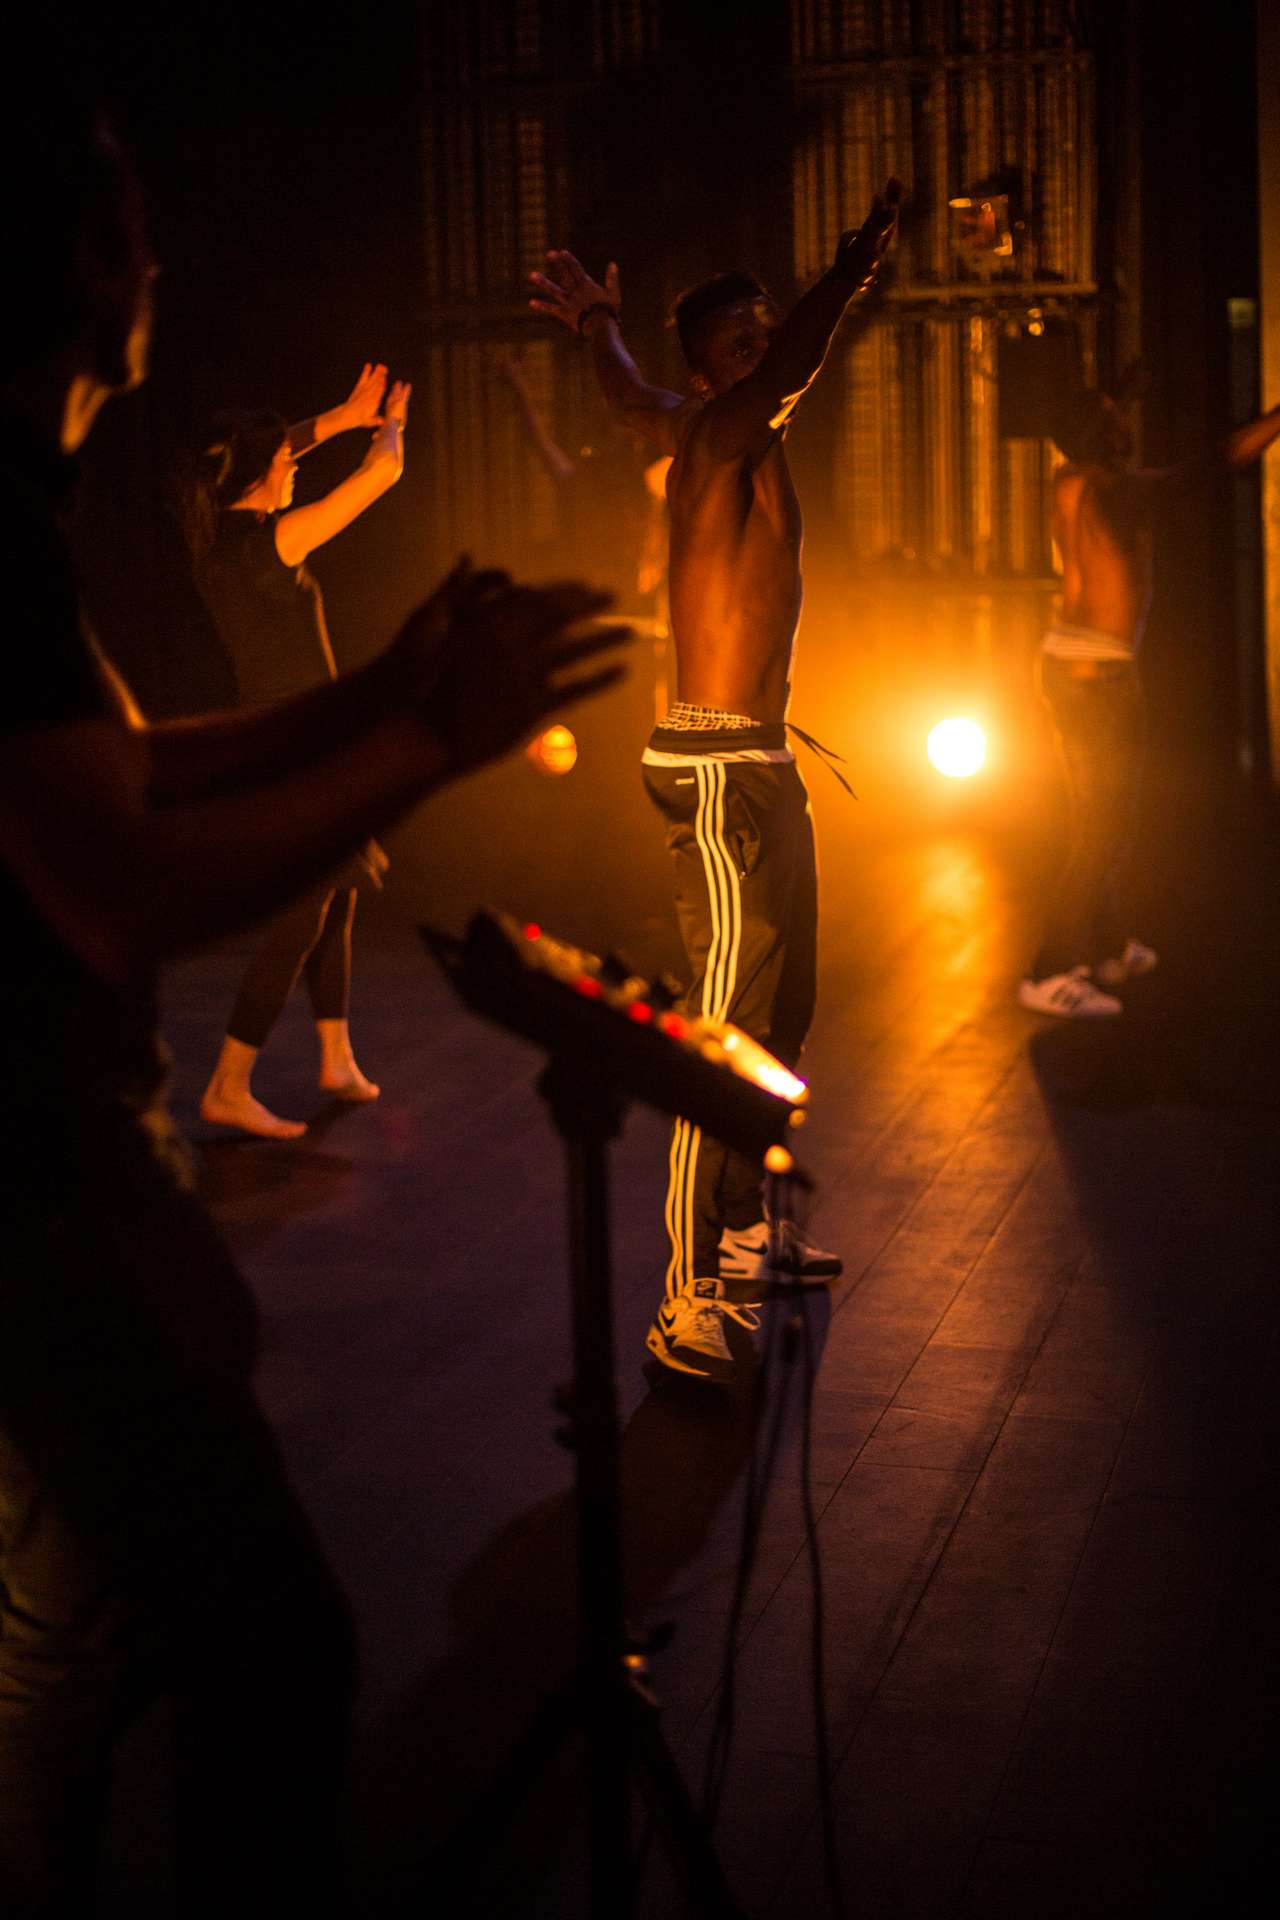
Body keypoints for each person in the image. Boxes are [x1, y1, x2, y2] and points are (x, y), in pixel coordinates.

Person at [0, 74, 626, 1918]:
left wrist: (387, 696)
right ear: (76, 264)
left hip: (56, 1167)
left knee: (75, 1638)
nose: (159, 267)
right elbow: (120, 888)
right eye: (132, 231)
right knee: (264, 1655)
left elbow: (129, 772)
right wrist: (430, 742)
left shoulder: (21, 524)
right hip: (32, 1181)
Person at [531, 181, 899, 1381]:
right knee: (723, 1031)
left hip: (761, 761)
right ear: (713, 367)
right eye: (738, 339)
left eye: (761, 329)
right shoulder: (729, 426)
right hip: (711, 771)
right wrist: (846, 275)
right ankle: (685, 1296)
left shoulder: (696, 424)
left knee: (783, 1018)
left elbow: (623, 392)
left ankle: (743, 1240)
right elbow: (785, 368)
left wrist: (597, 321)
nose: (760, 345)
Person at [183, 367, 409, 1137]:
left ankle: (336, 1057)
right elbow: (380, 477)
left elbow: (269, 454)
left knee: (338, 893)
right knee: (302, 915)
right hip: (302, 755)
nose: (295, 466)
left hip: (296, 746)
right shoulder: (272, 544)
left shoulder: (218, 539)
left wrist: (340, 417)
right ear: (258, 475)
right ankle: (228, 1082)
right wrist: (388, 430)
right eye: (286, 461)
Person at [1018, 383, 1280, 1019]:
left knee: (1097, 820)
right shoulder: (1118, 492)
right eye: (1116, 418)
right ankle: (1048, 971)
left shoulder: (1069, 482)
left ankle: (1108, 948)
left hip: (1065, 665)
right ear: (1100, 435)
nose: (1128, 424)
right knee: (1101, 830)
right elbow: (1214, 463)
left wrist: (1107, 396)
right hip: (1100, 680)